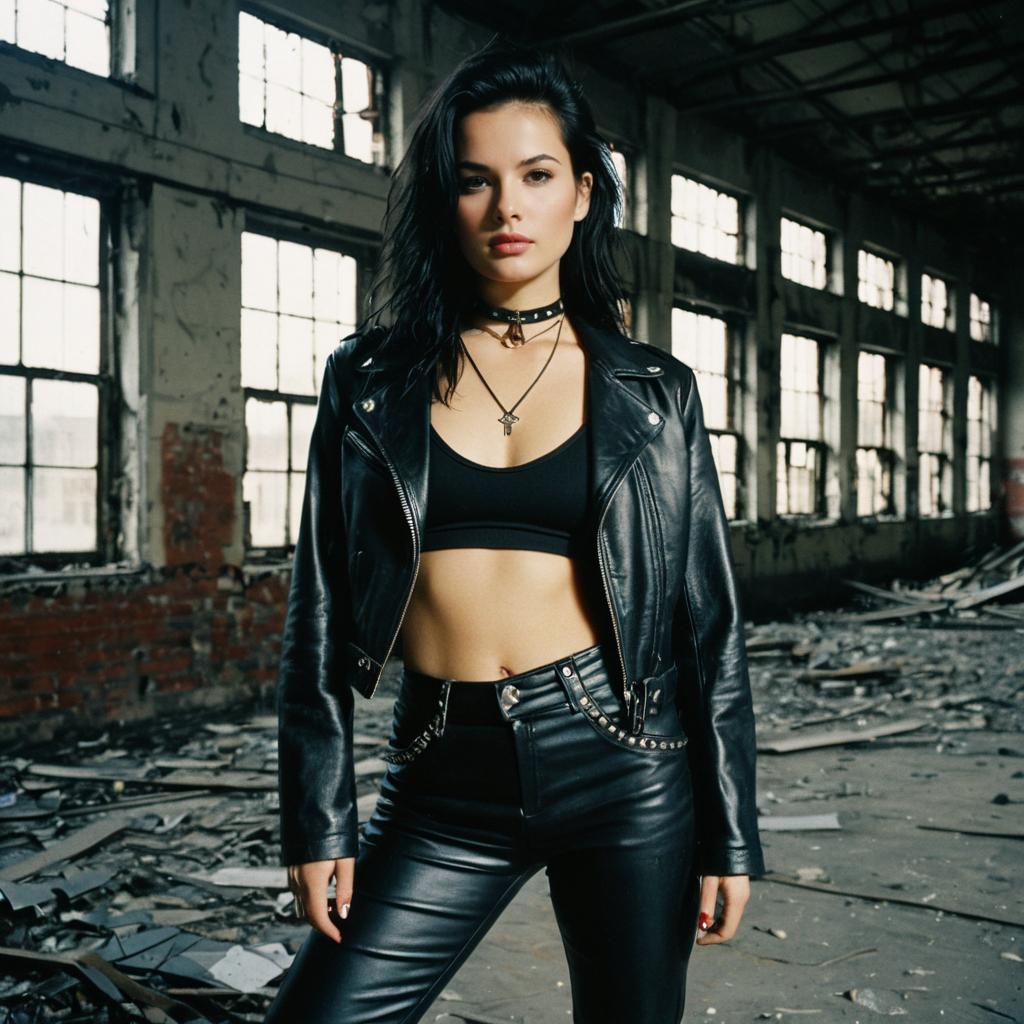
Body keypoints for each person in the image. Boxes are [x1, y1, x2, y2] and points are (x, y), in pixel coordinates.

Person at [264, 33, 765, 1024]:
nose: (506, 209)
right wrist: (316, 813)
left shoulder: (655, 393)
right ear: (443, 201)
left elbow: (708, 625)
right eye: (474, 180)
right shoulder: (366, 380)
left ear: (581, 193)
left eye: (536, 176)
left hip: (626, 764)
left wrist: (730, 831)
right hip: (444, 773)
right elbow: (317, 612)